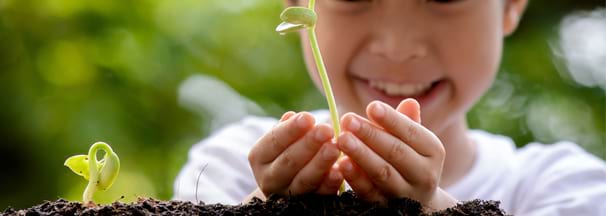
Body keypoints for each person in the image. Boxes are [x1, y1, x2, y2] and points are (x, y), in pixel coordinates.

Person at [173, 0, 606, 214]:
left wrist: (433, 208)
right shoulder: (229, 165)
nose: (398, 47)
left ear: (511, 7)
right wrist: (268, 207)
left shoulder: (563, 187)